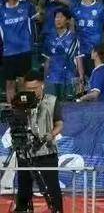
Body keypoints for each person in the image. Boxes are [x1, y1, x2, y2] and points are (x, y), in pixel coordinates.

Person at [12, 72, 63, 213]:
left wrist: (51, 134)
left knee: (52, 188)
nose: (31, 91)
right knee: (23, 189)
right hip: (24, 152)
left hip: (47, 151)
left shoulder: (52, 101)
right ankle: (23, 209)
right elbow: (15, 123)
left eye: (34, 88)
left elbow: (59, 124)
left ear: (42, 85)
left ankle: (57, 210)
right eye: (28, 88)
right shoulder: (20, 101)